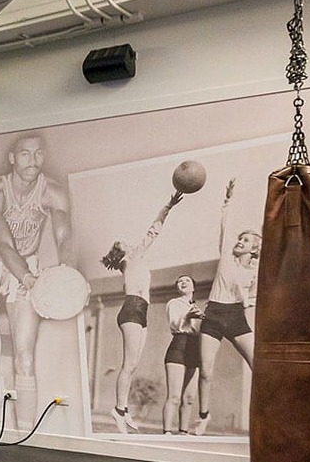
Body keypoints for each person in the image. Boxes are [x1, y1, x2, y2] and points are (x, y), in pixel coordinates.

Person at [0, 133, 72, 428]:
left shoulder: (53, 191)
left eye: (39, 153)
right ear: (13, 158)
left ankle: (26, 434)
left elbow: (64, 235)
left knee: (25, 357)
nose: (33, 160)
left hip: (28, 267)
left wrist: (67, 272)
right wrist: (28, 278)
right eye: (25, 154)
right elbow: (4, 245)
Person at [101, 191, 184, 433]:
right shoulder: (132, 257)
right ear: (121, 252)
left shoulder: (133, 261)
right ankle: (117, 411)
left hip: (141, 310)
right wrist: (167, 206)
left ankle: (123, 411)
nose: (129, 243)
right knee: (128, 364)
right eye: (123, 243)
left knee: (133, 364)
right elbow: (153, 231)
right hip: (132, 309)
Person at [193, 179, 259, 436]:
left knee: (260, 367)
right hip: (214, 314)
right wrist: (228, 201)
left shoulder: (253, 272)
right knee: (206, 371)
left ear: (254, 250)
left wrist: (248, 300)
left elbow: (250, 300)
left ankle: (264, 416)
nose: (240, 241)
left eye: (246, 240)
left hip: (236, 317)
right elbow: (226, 226)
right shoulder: (226, 258)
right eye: (240, 238)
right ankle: (203, 417)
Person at [161, 274, 204, 435]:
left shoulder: (197, 308)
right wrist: (188, 317)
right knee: (174, 396)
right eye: (179, 281)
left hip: (194, 349)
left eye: (187, 280)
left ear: (193, 287)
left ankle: (183, 433)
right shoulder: (174, 303)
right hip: (178, 347)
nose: (183, 282)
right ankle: (166, 433)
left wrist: (203, 319)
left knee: (189, 398)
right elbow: (174, 324)